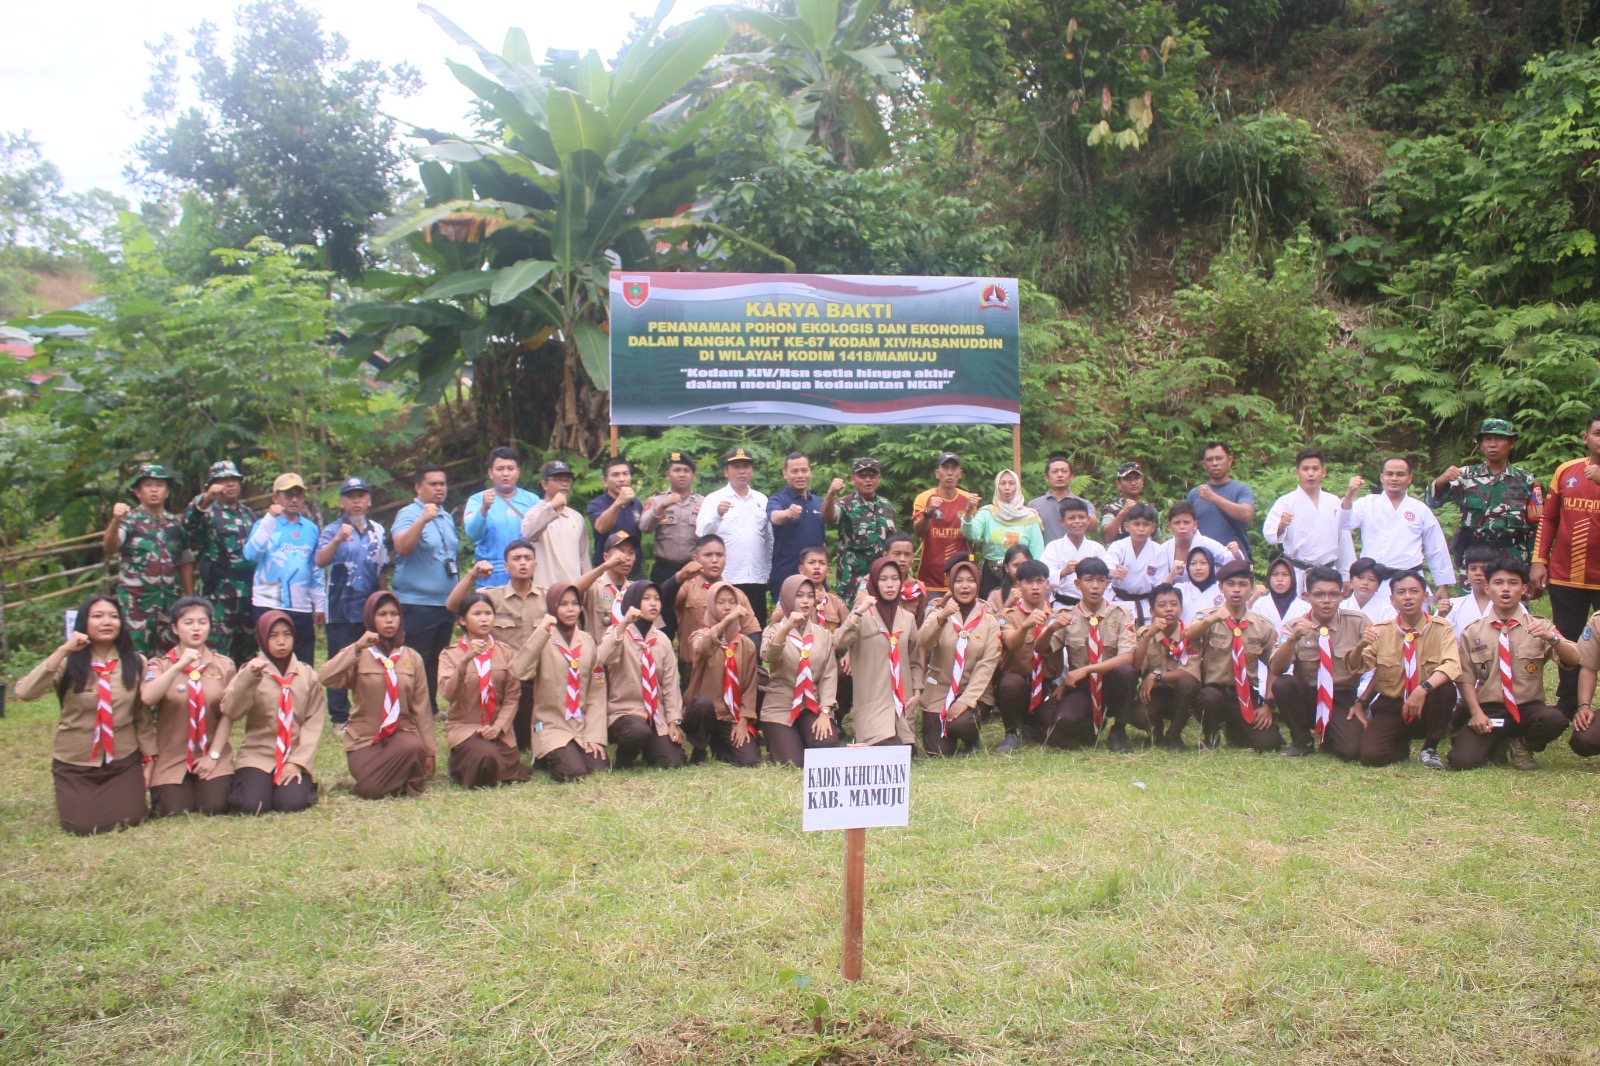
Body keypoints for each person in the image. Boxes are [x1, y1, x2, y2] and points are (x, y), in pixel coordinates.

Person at [15, 595, 152, 835]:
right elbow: (26, 692)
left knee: (132, 817)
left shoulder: (135, 662)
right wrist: (63, 649)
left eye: (113, 616)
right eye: (97, 616)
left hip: (121, 760)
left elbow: (142, 717)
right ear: (83, 623)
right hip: (75, 762)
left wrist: (150, 758)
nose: (106, 622)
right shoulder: (67, 662)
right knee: (82, 826)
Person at [1451, 558, 1576, 771]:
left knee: (1555, 719)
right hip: (1490, 710)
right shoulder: (1473, 631)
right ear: (1488, 588)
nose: (1505, 589)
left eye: (1513, 583)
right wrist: (1476, 713)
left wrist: (1552, 639)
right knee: (1461, 761)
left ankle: (1524, 745)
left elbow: (1574, 658)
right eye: (1499, 583)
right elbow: (1466, 677)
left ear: (1525, 588)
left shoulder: (1540, 626)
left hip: (1528, 708)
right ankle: (1497, 742)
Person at [317, 591, 436, 799]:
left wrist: (431, 751)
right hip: (365, 739)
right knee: (372, 789)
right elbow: (325, 678)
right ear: (370, 618)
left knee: (413, 746)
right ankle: (396, 780)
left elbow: (422, 708)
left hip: (401, 735)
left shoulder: (411, 657)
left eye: (394, 614)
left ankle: (395, 779)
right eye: (382, 614)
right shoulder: (359, 654)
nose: (389, 620)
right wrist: (355, 648)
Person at [217, 610, 324, 814]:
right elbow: (231, 709)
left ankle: (293, 782)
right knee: (252, 805)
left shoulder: (307, 675)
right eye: (273, 636)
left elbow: (314, 721)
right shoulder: (252, 672)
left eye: (287, 635)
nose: (281, 642)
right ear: (262, 639)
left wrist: (298, 761)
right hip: (258, 754)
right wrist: (248, 678)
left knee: (291, 803)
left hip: (292, 753)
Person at [1352, 569, 1461, 769]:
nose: (1408, 597)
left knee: (1446, 689)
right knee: (1371, 756)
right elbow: (1357, 666)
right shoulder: (1380, 630)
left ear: (1425, 596)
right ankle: (1401, 744)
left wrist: (1422, 689)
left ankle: (1430, 747)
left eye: (1414, 591)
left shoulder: (1441, 627)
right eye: (1401, 592)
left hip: (1428, 701)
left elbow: (1452, 665)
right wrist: (1359, 646)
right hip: (1392, 703)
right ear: (1392, 599)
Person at [1530, 411, 1600, 718]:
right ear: (1585, 438)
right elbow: (1549, 518)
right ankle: (1569, 703)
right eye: (1598, 433)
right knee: (1567, 640)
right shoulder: (1566, 471)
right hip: (1566, 576)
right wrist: (1539, 560)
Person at [140, 596, 236, 817]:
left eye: (202, 622)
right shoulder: (159, 665)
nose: (196, 628)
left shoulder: (223, 665)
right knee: (172, 810)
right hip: (173, 756)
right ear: (174, 628)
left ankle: (212, 771)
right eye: (188, 622)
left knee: (215, 806)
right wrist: (179, 666)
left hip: (212, 752)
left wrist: (213, 756)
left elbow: (229, 714)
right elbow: (147, 697)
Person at [445, 540, 547, 751]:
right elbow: (453, 605)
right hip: (504, 682)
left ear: (536, 565)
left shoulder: (547, 598)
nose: (523, 563)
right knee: (515, 740)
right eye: (516, 559)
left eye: (528, 559)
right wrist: (472, 575)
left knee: (531, 741)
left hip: (538, 681)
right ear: (505, 566)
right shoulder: (492, 597)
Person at [507, 583, 609, 782]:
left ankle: (573, 749)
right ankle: (546, 755)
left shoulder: (587, 641)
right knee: (574, 772)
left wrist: (595, 735)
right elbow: (519, 671)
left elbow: (598, 689)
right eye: (563, 604)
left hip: (581, 725)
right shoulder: (543, 638)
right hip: (551, 724)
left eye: (574, 604)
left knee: (598, 768)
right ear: (552, 607)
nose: (570, 609)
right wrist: (541, 631)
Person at [1267, 565, 1368, 760]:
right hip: (1308, 695)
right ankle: (1302, 740)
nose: (1327, 601)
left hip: (1342, 696)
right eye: (1319, 595)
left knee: (1351, 751)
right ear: (1306, 596)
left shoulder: (1358, 622)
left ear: (1343, 595)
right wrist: (1292, 639)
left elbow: (1377, 665)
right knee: (1284, 684)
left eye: (1333, 594)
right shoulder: (1294, 625)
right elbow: (1277, 668)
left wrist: (1362, 703)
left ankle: (1330, 735)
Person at [315, 477, 389, 727]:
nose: (356, 501)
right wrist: (337, 539)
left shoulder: (377, 530)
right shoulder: (331, 529)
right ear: (342, 502)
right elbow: (320, 561)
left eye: (361, 495)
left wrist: (383, 602)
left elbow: (382, 568)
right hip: (340, 608)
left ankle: (369, 710)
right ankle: (339, 718)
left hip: (369, 609)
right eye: (350, 496)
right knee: (340, 662)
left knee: (370, 660)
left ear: (368, 500)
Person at [436, 593, 530, 788]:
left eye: (488, 613)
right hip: (466, 727)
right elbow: (448, 693)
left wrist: (498, 727)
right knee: (486, 756)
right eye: (477, 614)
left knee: (507, 758)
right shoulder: (450, 654)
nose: (484, 618)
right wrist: (464, 661)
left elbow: (512, 697)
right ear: (462, 620)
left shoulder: (504, 652)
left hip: (497, 727)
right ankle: (460, 766)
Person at [1045, 557, 1139, 751]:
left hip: (1111, 682)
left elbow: (1128, 657)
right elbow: (1043, 649)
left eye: (1101, 580)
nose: (1095, 586)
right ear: (1078, 583)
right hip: (1082, 686)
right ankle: (1091, 727)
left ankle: (1119, 730)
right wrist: (1050, 629)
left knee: (1126, 672)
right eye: (1089, 580)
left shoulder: (1122, 613)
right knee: (1064, 723)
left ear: (1107, 583)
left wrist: (1087, 669)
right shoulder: (1067, 615)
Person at [1187, 559, 1281, 751]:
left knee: (1269, 743)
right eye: (1230, 584)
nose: (1236, 590)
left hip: (1244, 695)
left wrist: (1268, 704)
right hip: (1212, 691)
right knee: (1209, 698)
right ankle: (1211, 734)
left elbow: (1275, 665)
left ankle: (1235, 730)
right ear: (1221, 587)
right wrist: (1212, 620)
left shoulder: (1262, 625)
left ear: (1251, 589)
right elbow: (1189, 635)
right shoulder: (1207, 616)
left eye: (1243, 585)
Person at [1425, 418, 1542, 566]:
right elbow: (1431, 502)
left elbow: (1536, 528)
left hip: (1513, 557)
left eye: (1499, 439)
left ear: (1511, 443)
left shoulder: (1526, 480)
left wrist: (1537, 564)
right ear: (1480, 445)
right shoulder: (1465, 476)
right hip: (1475, 558)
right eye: (1487, 439)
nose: (1493, 444)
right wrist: (1442, 479)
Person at [391, 465, 460, 715]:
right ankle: (407, 707)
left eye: (442, 484)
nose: (439, 488)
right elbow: (402, 548)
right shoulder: (408, 514)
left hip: (444, 602)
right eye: (433, 484)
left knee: (435, 659)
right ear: (418, 487)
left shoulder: (446, 517)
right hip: (417, 602)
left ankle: (429, 706)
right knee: (415, 658)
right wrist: (422, 519)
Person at [918, 557, 1002, 756]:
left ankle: (971, 738)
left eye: (971, 581)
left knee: (962, 724)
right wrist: (941, 616)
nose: (965, 586)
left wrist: (966, 700)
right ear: (951, 584)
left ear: (978, 584)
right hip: (939, 690)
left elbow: (987, 665)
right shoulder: (939, 613)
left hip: (972, 690)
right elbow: (923, 642)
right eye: (959, 581)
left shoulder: (989, 621)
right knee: (938, 752)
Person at [1339, 457, 1456, 600]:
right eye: (1389, 474)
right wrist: (1350, 494)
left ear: (1409, 478)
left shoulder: (1419, 509)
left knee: (1414, 622)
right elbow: (1344, 522)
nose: (1394, 478)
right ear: (1382, 477)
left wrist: (1443, 585)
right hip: (1373, 581)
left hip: (1409, 581)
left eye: (1400, 474)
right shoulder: (1367, 503)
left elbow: (1436, 547)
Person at [835, 557, 922, 746]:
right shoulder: (862, 616)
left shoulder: (907, 619)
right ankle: (863, 743)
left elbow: (914, 659)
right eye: (883, 579)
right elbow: (839, 641)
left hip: (902, 707)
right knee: (889, 748)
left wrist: (916, 690)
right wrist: (857, 612)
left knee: (905, 751)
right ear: (874, 582)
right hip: (873, 706)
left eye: (895, 579)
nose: (890, 585)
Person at [105, 463, 190, 656]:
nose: (154, 490)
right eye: (148, 485)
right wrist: (115, 521)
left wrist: (189, 598)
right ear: (137, 491)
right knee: (135, 653)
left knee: (170, 654)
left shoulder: (175, 524)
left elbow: (185, 561)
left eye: (159, 485)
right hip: (137, 602)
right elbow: (110, 546)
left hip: (169, 601)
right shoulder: (129, 520)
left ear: (167, 492)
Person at [599, 581, 685, 769]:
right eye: (646, 599)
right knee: (637, 732)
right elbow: (603, 657)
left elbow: (670, 684)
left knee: (672, 762)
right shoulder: (617, 632)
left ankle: (649, 748)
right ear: (632, 602)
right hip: (624, 712)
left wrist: (672, 722)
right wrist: (624, 624)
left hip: (655, 715)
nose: (653, 604)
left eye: (657, 599)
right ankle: (625, 756)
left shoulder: (662, 640)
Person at [241, 472, 325, 666]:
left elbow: (316, 567)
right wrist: (270, 518)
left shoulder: (311, 528)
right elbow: (250, 554)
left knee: (303, 663)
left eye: (299, 494)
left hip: (301, 607)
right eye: (288, 495)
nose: (294, 499)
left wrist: (319, 603)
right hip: (269, 604)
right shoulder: (264, 525)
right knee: (269, 662)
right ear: (275, 497)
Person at [760, 575, 843, 765]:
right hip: (780, 705)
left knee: (826, 744)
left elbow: (829, 675)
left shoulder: (822, 634)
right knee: (793, 762)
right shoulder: (773, 630)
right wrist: (787, 626)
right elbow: (768, 656)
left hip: (811, 704)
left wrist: (825, 712)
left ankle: (807, 735)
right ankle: (780, 741)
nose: (805, 601)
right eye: (799, 596)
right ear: (788, 598)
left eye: (809, 596)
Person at [182, 460, 257, 661]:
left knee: (249, 654)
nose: (230, 484)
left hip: (249, 593)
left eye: (234, 479)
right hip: (220, 593)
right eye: (224, 480)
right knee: (215, 653)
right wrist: (207, 498)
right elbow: (188, 523)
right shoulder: (207, 511)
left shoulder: (248, 514)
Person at [682, 582, 761, 766]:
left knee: (749, 760)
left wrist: (742, 721)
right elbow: (702, 649)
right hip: (704, 714)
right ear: (711, 605)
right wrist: (726, 622)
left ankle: (720, 746)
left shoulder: (746, 645)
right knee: (703, 704)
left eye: (732, 602)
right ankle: (700, 746)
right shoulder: (699, 635)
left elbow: (750, 687)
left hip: (730, 716)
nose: (727, 607)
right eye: (721, 602)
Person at [993, 559, 1068, 753]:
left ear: (1047, 584)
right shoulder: (1008, 616)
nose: (1035, 587)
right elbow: (1010, 642)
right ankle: (1011, 731)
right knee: (1010, 684)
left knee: (1055, 734)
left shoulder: (1059, 615)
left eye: (1039, 581)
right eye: (1028, 582)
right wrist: (1026, 626)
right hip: (1018, 682)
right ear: (1018, 585)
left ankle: (1031, 722)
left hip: (1045, 684)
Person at [696, 447, 773, 618]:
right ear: (726, 471)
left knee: (756, 629)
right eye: (736, 467)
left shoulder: (762, 499)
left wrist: (768, 571)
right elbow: (701, 533)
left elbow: (768, 540)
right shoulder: (713, 499)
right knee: (726, 629)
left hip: (756, 577)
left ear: (752, 471)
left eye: (746, 466)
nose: (741, 471)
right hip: (726, 577)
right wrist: (717, 515)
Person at [1263, 449, 1354, 589]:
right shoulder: (1286, 502)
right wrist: (1281, 526)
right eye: (1305, 469)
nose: (1310, 473)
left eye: (1315, 469)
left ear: (1324, 472)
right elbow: (1270, 535)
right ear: (1297, 473)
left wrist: (1347, 575)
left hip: (1328, 573)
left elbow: (1344, 540)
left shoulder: (1334, 502)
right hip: (1296, 571)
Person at [1131, 584, 1202, 751]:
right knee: (1139, 715)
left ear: (1181, 608)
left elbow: (1190, 673)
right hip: (1154, 694)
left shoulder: (1190, 635)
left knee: (1188, 684)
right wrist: (1149, 636)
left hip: (1180, 695)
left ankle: (1174, 734)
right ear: (1152, 611)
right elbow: (1135, 667)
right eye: (1162, 605)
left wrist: (1156, 675)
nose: (1169, 609)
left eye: (1174, 604)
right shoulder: (1144, 633)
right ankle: (1156, 731)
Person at [664, 535, 761, 653]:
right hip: (693, 665)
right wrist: (679, 577)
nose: (715, 560)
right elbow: (663, 600)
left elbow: (752, 631)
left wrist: (747, 659)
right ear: (695, 558)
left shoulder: (737, 594)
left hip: (730, 665)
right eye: (708, 555)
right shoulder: (686, 588)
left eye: (720, 555)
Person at [463, 446, 540, 588]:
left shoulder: (532, 500)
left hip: (525, 574)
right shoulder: (477, 500)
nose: (505, 473)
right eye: (500, 469)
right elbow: (473, 534)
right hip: (491, 575)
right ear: (490, 473)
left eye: (510, 469)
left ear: (518, 472)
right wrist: (484, 508)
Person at [962, 469, 1045, 597]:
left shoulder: (1029, 517)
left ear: (1017, 487)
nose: (1007, 488)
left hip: (1021, 576)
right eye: (1003, 483)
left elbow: (1037, 553)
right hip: (991, 575)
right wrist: (968, 512)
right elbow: (971, 534)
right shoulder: (987, 513)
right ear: (997, 487)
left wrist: (1034, 579)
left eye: (1011, 483)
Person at [826, 456, 897, 600]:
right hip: (852, 582)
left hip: (882, 580)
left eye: (873, 475)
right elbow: (829, 517)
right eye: (862, 475)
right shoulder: (845, 504)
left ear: (879, 477)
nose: (868, 480)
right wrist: (830, 495)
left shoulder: (887, 505)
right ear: (853, 478)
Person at [912, 452, 979, 594]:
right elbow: (918, 531)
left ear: (960, 474)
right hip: (930, 577)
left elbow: (973, 537)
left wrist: (968, 512)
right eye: (945, 468)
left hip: (961, 578)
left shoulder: (969, 500)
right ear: (937, 473)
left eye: (954, 469)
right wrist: (928, 513)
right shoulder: (924, 498)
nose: (950, 473)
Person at [638, 451, 704, 593]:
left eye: (686, 471)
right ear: (667, 474)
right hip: (664, 568)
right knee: (662, 608)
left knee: (692, 609)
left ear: (694, 475)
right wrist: (662, 507)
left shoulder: (703, 503)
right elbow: (644, 527)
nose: (681, 474)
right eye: (677, 470)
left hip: (692, 567)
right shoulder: (656, 501)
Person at [767, 451, 827, 601]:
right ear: (785, 473)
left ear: (810, 472)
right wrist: (787, 513)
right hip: (786, 577)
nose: (800, 475)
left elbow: (822, 540)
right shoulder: (778, 499)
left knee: (818, 621)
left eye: (804, 470)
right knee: (787, 622)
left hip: (817, 579)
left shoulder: (818, 502)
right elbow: (774, 517)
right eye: (794, 471)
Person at [520, 459, 588, 585]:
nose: (564, 484)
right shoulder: (535, 512)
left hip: (574, 591)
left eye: (567, 480)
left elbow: (584, 559)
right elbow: (528, 534)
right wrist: (551, 508)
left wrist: (589, 586)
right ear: (544, 484)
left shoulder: (577, 517)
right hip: (545, 591)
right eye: (558, 480)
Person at [1188, 442, 1257, 561]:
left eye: (1219, 458)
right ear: (1204, 464)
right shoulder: (1195, 494)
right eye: (1209, 460)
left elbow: (1246, 514)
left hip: (1233, 561)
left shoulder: (1241, 489)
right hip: (1203, 563)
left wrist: (1213, 497)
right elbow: (1186, 526)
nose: (1214, 463)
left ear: (1230, 461)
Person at [571, 531, 639, 642]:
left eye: (631, 553)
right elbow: (572, 591)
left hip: (628, 656)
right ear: (606, 556)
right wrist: (605, 566)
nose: (627, 558)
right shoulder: (594, 586)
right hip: (600, 655)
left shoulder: (635, 590)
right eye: (621, 552)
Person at [1441, 545, 1524, 635]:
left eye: (1483, 569)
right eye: (1473, 568)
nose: (1478, 573)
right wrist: (1440, 616)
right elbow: (1434, 637)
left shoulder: (1513, 606)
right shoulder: (1453, 606)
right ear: (1467, 572)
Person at [1039, 499, 1107, 607]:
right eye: (1071, 518)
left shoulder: (1097, 548)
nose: (1077, 521)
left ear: (1088, 520)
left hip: (1093, 606)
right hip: (1062, 605)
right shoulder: (1054, 547)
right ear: (1062, 522)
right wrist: (1063, 572)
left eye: (1081, 517)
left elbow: (1105, 578)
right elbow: (1043, 577)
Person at [1105, 503, 1165, 624]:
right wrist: (1114, 573)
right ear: (1127, 526)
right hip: (1118, 599)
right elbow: (1106, 568)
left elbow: (1160, 585)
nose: (1141, 529)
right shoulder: (1118, 546)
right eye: (1136, 524)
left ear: (1153, 528)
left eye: (1146, 525)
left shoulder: (1159, 551)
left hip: (1145, 603)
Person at [1159, 501, 1243, 586]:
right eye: (1177, 523)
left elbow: (1232, 561)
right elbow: (1159, 584)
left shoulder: (1207, 543)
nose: (1182, 527)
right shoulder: (1164, 549)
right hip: (1173, 596)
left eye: (1186, 522)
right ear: (1170, 526)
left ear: (1195, 524)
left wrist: (1236, 553)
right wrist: (1172, 573)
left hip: (1205, 594)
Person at [586, 456, 643, 578]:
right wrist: (618, 503)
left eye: (625, 474)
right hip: (606, 570)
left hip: (633, 570)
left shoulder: (636, 503)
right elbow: (601, 527)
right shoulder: (596, 505)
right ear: (605, 481)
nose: (622, 479)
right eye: (615, 475)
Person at [1029, 454, 1097, 543]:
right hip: (1045, 555)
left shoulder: (1083, 504)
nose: (1060, 475)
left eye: (1064, 471)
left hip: (1075, 554)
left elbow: (1093, 528)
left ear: (1072, 476)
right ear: (1046, 477)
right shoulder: (1034, 505)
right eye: (1055, 471)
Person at [883, 533, 930, 627]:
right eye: (897, 554)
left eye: (907, 554)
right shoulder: (871, 583)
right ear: (885, 555)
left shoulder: (918, 588)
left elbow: (920, 623)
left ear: (913, 557)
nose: (902, 559)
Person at [1100, 462, 1148, 542]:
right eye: (1128, 479)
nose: (1133, 483)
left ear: (1142, 482)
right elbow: (1107, 538)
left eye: (1136, 478)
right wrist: (1123, 512)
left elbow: (1156, 539)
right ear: (1119, 484)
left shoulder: (1148, 509)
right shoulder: (1110, 509)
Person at [1179, 546, 1225, 624]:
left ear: (1211, 565)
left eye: (1203, 563)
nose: (1198, 568)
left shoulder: (1222, 589)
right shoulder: (1180, 590)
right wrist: (1172, 574)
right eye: (1193, 563)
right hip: (1185, 635)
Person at [986, 544, 1034, 613]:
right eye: (1016, 565)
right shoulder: (996, 596)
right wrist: (1008, 604)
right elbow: (992, 623)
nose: (1021, 568)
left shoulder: (1037, 591)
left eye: (1025, 564)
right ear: (1007, 568)